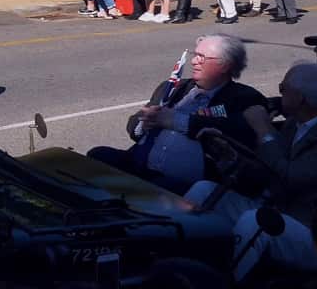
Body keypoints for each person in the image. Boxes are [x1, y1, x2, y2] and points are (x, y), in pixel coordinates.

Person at [183, 63, 317, 282]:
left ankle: (230, 281)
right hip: (276, 209)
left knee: (253, 220)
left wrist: (263, 130)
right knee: (203, 191)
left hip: (308, 230)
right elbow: (268, 168)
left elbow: (290, 178)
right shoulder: (295, 124)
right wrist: (229, 156)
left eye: (284, 88)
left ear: (301, 98)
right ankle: (182, 264)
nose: (279, 92)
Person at [87, 34, 266, 194]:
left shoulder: (244, 98)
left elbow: (240, 132)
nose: (194, 61)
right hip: (139, 164)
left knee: (160, 188)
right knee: (96, 157)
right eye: (195, 55)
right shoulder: (172, 87)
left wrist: (177, 121)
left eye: (202, 57)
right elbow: (135, 124)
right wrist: (144, 123)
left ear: (224, 65)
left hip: (187, 181)